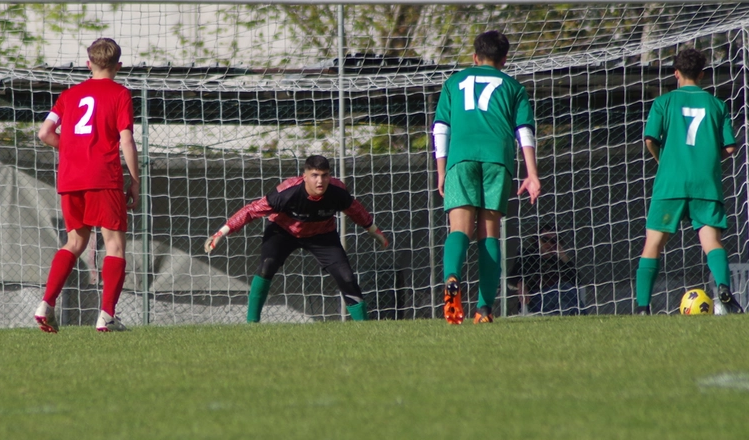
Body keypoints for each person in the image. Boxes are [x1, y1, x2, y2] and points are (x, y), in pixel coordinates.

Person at [433, 30, 540, 325]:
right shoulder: (514, 87)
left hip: (461, 157)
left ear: (474, 56)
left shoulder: (453, 82)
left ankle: (452, 277)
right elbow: (524, 132)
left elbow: (440, 127)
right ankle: (484, 309)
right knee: (489, 232)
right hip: (497, 158)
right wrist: (531, 174)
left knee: (460, 229)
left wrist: (442, 171)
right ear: (504, 59)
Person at [33, 38, 140, 333]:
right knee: (115, 246)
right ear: (119, 66)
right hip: (103, 176)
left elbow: (45, 132)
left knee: (74, 242)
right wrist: (135, 181)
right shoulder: (120, 93)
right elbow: (126, 139)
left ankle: (46, 303)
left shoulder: (69, 95)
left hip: (70, 178)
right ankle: (106, 315)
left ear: (87, 64)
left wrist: (70, 150)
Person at [204, 154, 389, 323]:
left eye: (325, 175)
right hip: (283, 231)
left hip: (322, 234)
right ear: (305, 176)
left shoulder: (338, 191)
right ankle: (252, 323)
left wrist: (375, 231)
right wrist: (221, 232)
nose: (320, 181)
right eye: (315, 175)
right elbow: (251, 211)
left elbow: (356, 211)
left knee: (347, 277)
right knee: (267, 265)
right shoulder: (286, 192)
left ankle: (364, 327)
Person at [634, 47, 743, 315]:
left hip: (670, 182)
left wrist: (663, 161)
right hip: (705, 183)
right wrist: (706, 159)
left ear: (676, 73)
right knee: (711, 242)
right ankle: (723, 288)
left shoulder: (664, 102)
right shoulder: (717, 104)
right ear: (702, 74)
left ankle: (642, 307)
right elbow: (730, 147)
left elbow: (650, 139)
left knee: (654, 243)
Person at [512, 224, 580, 315]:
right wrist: (521, 284)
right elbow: (513, 276)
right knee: (564, 289)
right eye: (544, 240)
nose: (548, 244)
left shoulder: (559, 261)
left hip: (560, 299)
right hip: (535, 297)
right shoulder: (527, 254)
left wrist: (564, 258)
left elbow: (577, 281)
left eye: (553, 241)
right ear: (537, 240)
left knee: (565, 298)